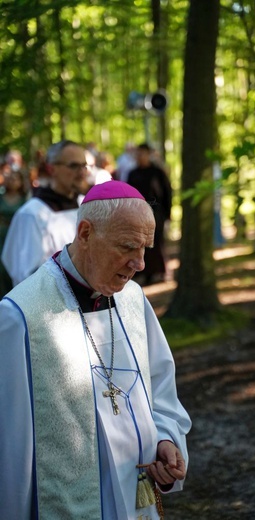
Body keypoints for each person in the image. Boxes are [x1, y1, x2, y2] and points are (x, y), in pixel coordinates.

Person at [0, 179, 191, 519]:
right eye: (127, 246)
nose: (140, 264)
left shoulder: (133, 300)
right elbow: (10, 445)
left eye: (145, 248)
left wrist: (164, 439)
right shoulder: (21, 316)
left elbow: (160, 389)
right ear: (86, 233)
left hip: (138, 497)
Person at [1, 139, 90, 286]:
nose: (81, 172)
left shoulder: (86, 205)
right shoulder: (32, 214)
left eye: (84, 166)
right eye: (73, 166)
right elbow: (26, 276)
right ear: (51, 169)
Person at [127, 143, 172, 285]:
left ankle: (159, 271)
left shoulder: (157, 172)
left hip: (156, 212)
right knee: (139, 243)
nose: (140, 157)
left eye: (143, 154)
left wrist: (167, 214)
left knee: (156, 242)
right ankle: (143, 272)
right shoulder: (132, 174)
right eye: (138, 154)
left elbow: (167, 193)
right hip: (137, 213)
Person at [0, 169, 27, 297]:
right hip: (1, 234)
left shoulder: (24, 200)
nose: (12, 181)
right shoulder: (1, 197)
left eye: (16, 178)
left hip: (17, 236)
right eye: (10, 178)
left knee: (13, 265)